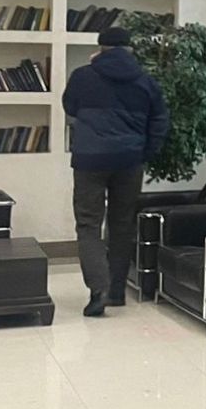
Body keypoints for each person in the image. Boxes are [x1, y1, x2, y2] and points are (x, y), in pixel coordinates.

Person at [61, 27, 170, 317]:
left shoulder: (82, 76)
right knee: (122, 224)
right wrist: (144, 153)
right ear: (130, 49)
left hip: (89, 160)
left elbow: (69, 107)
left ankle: (99, 289)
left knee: (88, 224)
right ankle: (117, 291)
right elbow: (160, 121)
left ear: (100, 48)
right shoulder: (146, 81)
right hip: (130, 160)